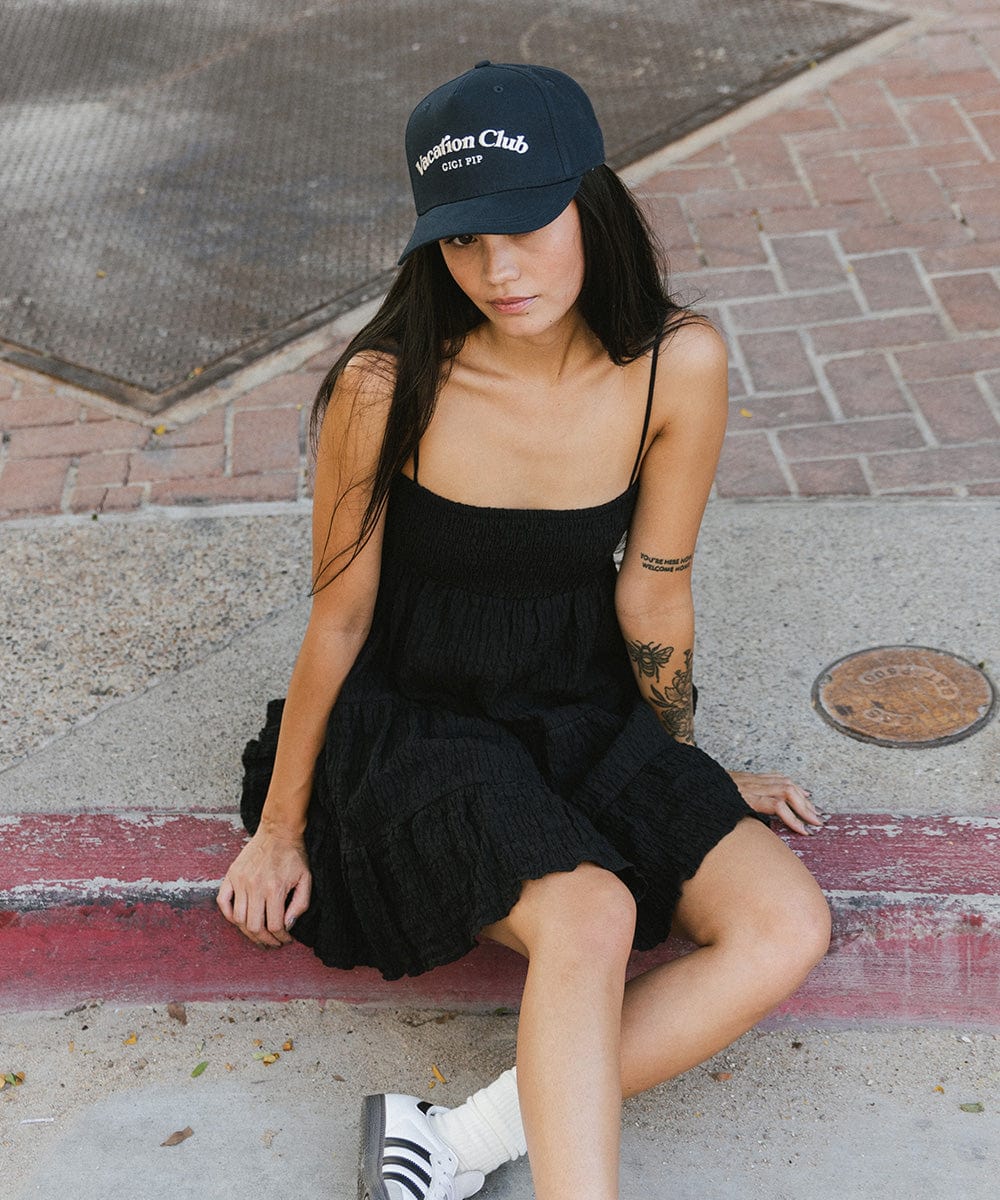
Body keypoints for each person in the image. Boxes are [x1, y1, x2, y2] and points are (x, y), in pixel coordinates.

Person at [217, 60, 831, 1200]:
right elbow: (340, 614)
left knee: (782, 924)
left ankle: (451, 1142)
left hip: (577, 700)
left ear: (589, 199)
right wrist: (282, 826)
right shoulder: (385, 384)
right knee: (588, 911)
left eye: (525, 226)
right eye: (460, 241)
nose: (497, 270)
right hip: (417, 714)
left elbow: (653, 594)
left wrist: (681, 766)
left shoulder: (674, 367)